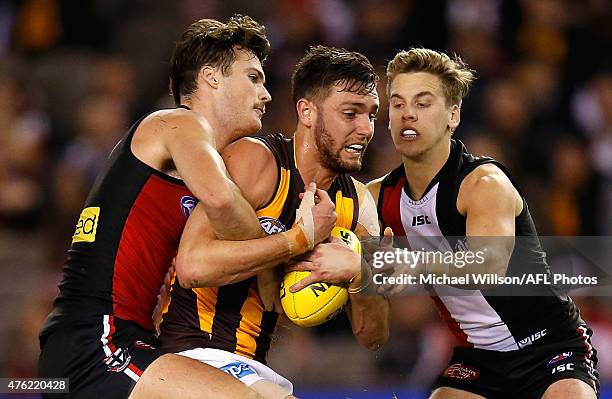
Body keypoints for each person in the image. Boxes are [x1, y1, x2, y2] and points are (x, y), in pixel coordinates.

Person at [38, 15, 336, 399]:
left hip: (122, 341)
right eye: (253, 78)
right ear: (212, 77)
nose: (265, 95)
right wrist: (296, 242)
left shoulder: (204, 157)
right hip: (96, 342)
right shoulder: (176, 123)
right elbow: (221, 200)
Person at [158, 45, 390, 399]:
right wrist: (299, 239)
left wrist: (362, 275)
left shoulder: (360, 206)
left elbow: (373, 337)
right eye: (350, 113)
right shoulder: (256, 161)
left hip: (256, 366)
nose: (365, 129)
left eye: (371, 115)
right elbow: (192, 266)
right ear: (307, 111)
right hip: (190, 353)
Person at [367, 48, 600, 399]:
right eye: (397, 104)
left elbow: (487, 265)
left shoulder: (482, 184)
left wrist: (409, 267)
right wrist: (359, 277)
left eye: (423, 103)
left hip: (549, 346)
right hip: (479, 359)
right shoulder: (376, 198)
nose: (407, 114)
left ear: (453, 115)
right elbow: (384, 318)